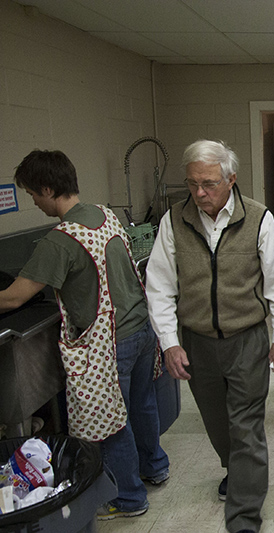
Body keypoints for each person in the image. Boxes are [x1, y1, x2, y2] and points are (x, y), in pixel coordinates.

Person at [0, 150, 169, 520]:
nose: (33, 201)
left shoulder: (60, 240)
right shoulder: (104, 214)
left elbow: (14, 297)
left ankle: (129, 498)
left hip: (111, 344)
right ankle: (155, 467)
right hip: (141, 329)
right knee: (142, 406)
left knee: (110, 424)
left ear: (48, 189)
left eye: (33, 194)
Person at [146, 139, 274, 533]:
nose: (199, 193)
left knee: (246, 425)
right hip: (195, 342)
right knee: (217, 423)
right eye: (192, 184)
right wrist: (169, 342)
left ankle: (243, 518)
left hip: (247, 339)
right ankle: (237, 469)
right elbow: (159, 286)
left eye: (209, 183)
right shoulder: (173, 220)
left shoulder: (259, 218)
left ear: (231, 179)